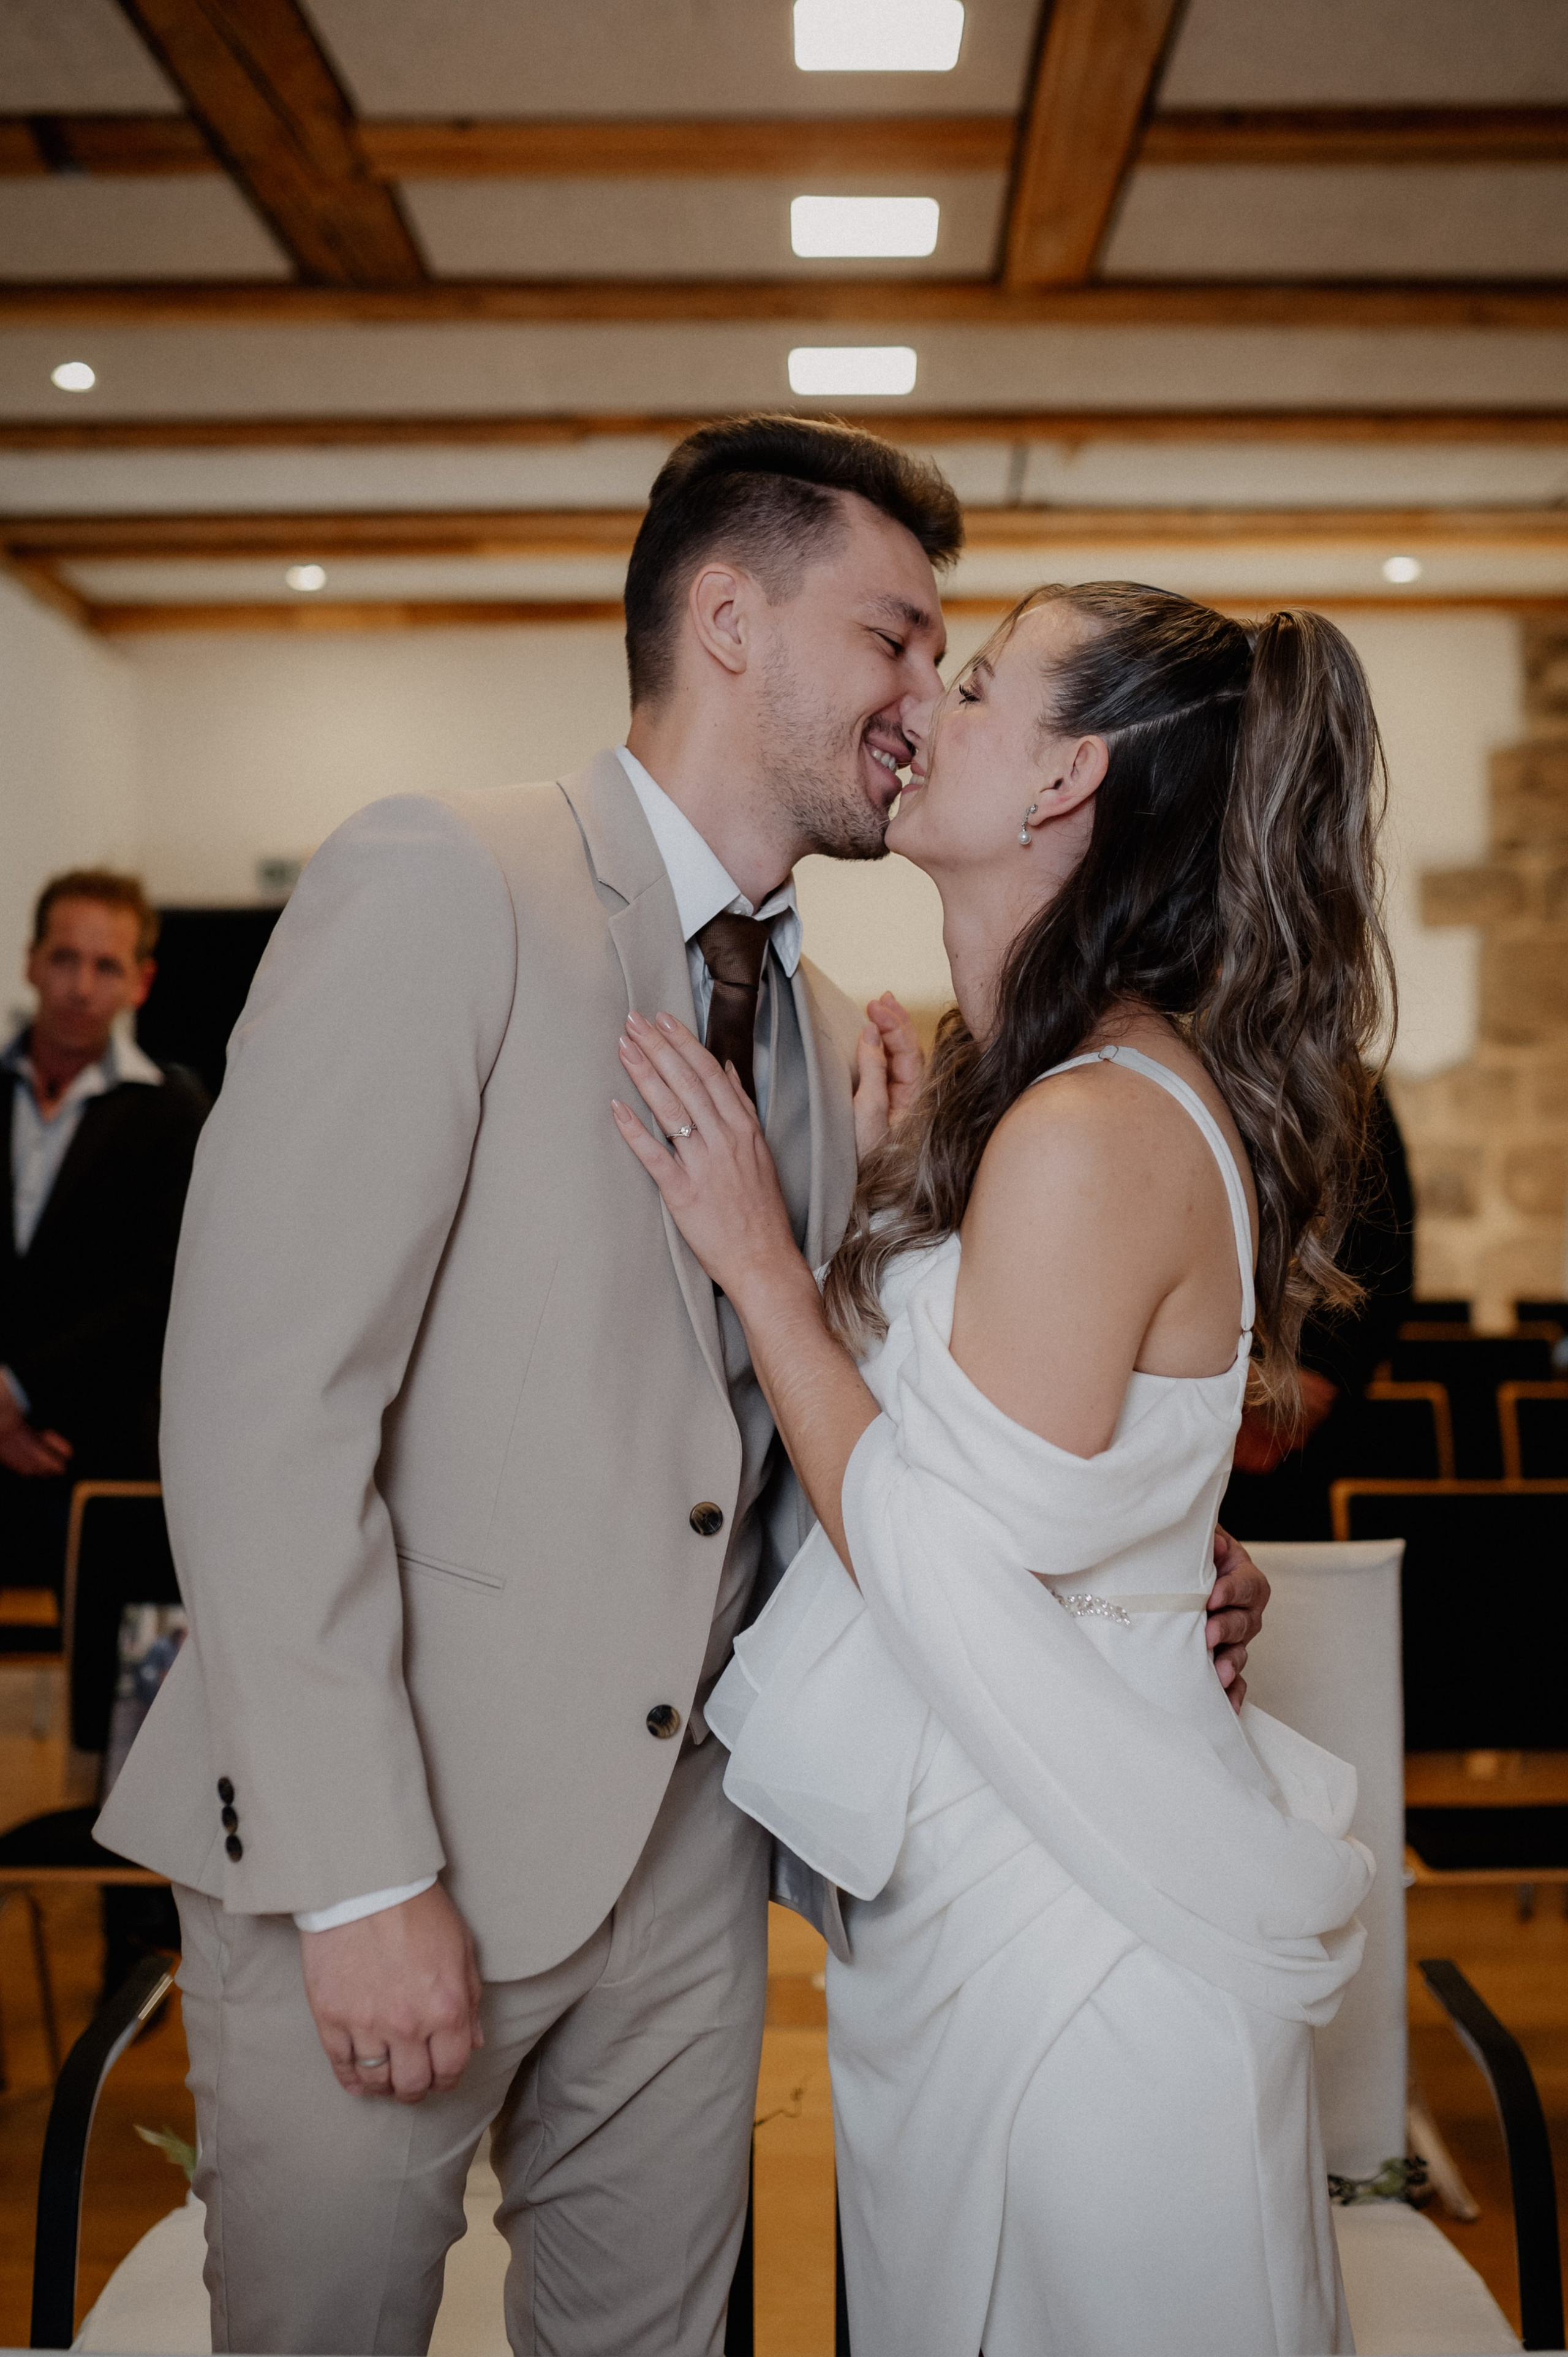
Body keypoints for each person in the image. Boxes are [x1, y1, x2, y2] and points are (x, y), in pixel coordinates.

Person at [98, 425, 1270, 2357]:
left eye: (947, 659)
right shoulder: (442, 876)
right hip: (400, 1852)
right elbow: (259, 1407)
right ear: (727, 618)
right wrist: (362, 1869)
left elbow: (774, 1457)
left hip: (687, 1873)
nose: (920, 697)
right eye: (895, 639)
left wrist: (1113, 1568)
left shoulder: (825, 1033)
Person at [613, 583, 1389, 2356]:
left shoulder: (1092, 1125)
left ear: (1063, 782)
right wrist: (886, 1200)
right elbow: (1039, 1458)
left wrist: (762, 1266)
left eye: (971, 684)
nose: (922, 709)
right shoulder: (1026, 1098)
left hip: (1077, 1930)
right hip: (985, 1885)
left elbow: (949, 1564)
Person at [1, 871, 206, 1590]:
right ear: (31, 960)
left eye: (106, 965)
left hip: (92, 1458)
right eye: (64, 958)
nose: (80, 986)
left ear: (140, 982)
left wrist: (17, 1395)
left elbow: (157, 1295)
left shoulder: (174, 1117)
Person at [1223, 1079, 1415, 1535]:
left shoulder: (1358, 1092)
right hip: (1211, 1400)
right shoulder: (1193, 1076)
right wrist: (1242, 1378)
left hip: (1322, 1411)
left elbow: (1389, 1260)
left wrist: (1305, 1378)